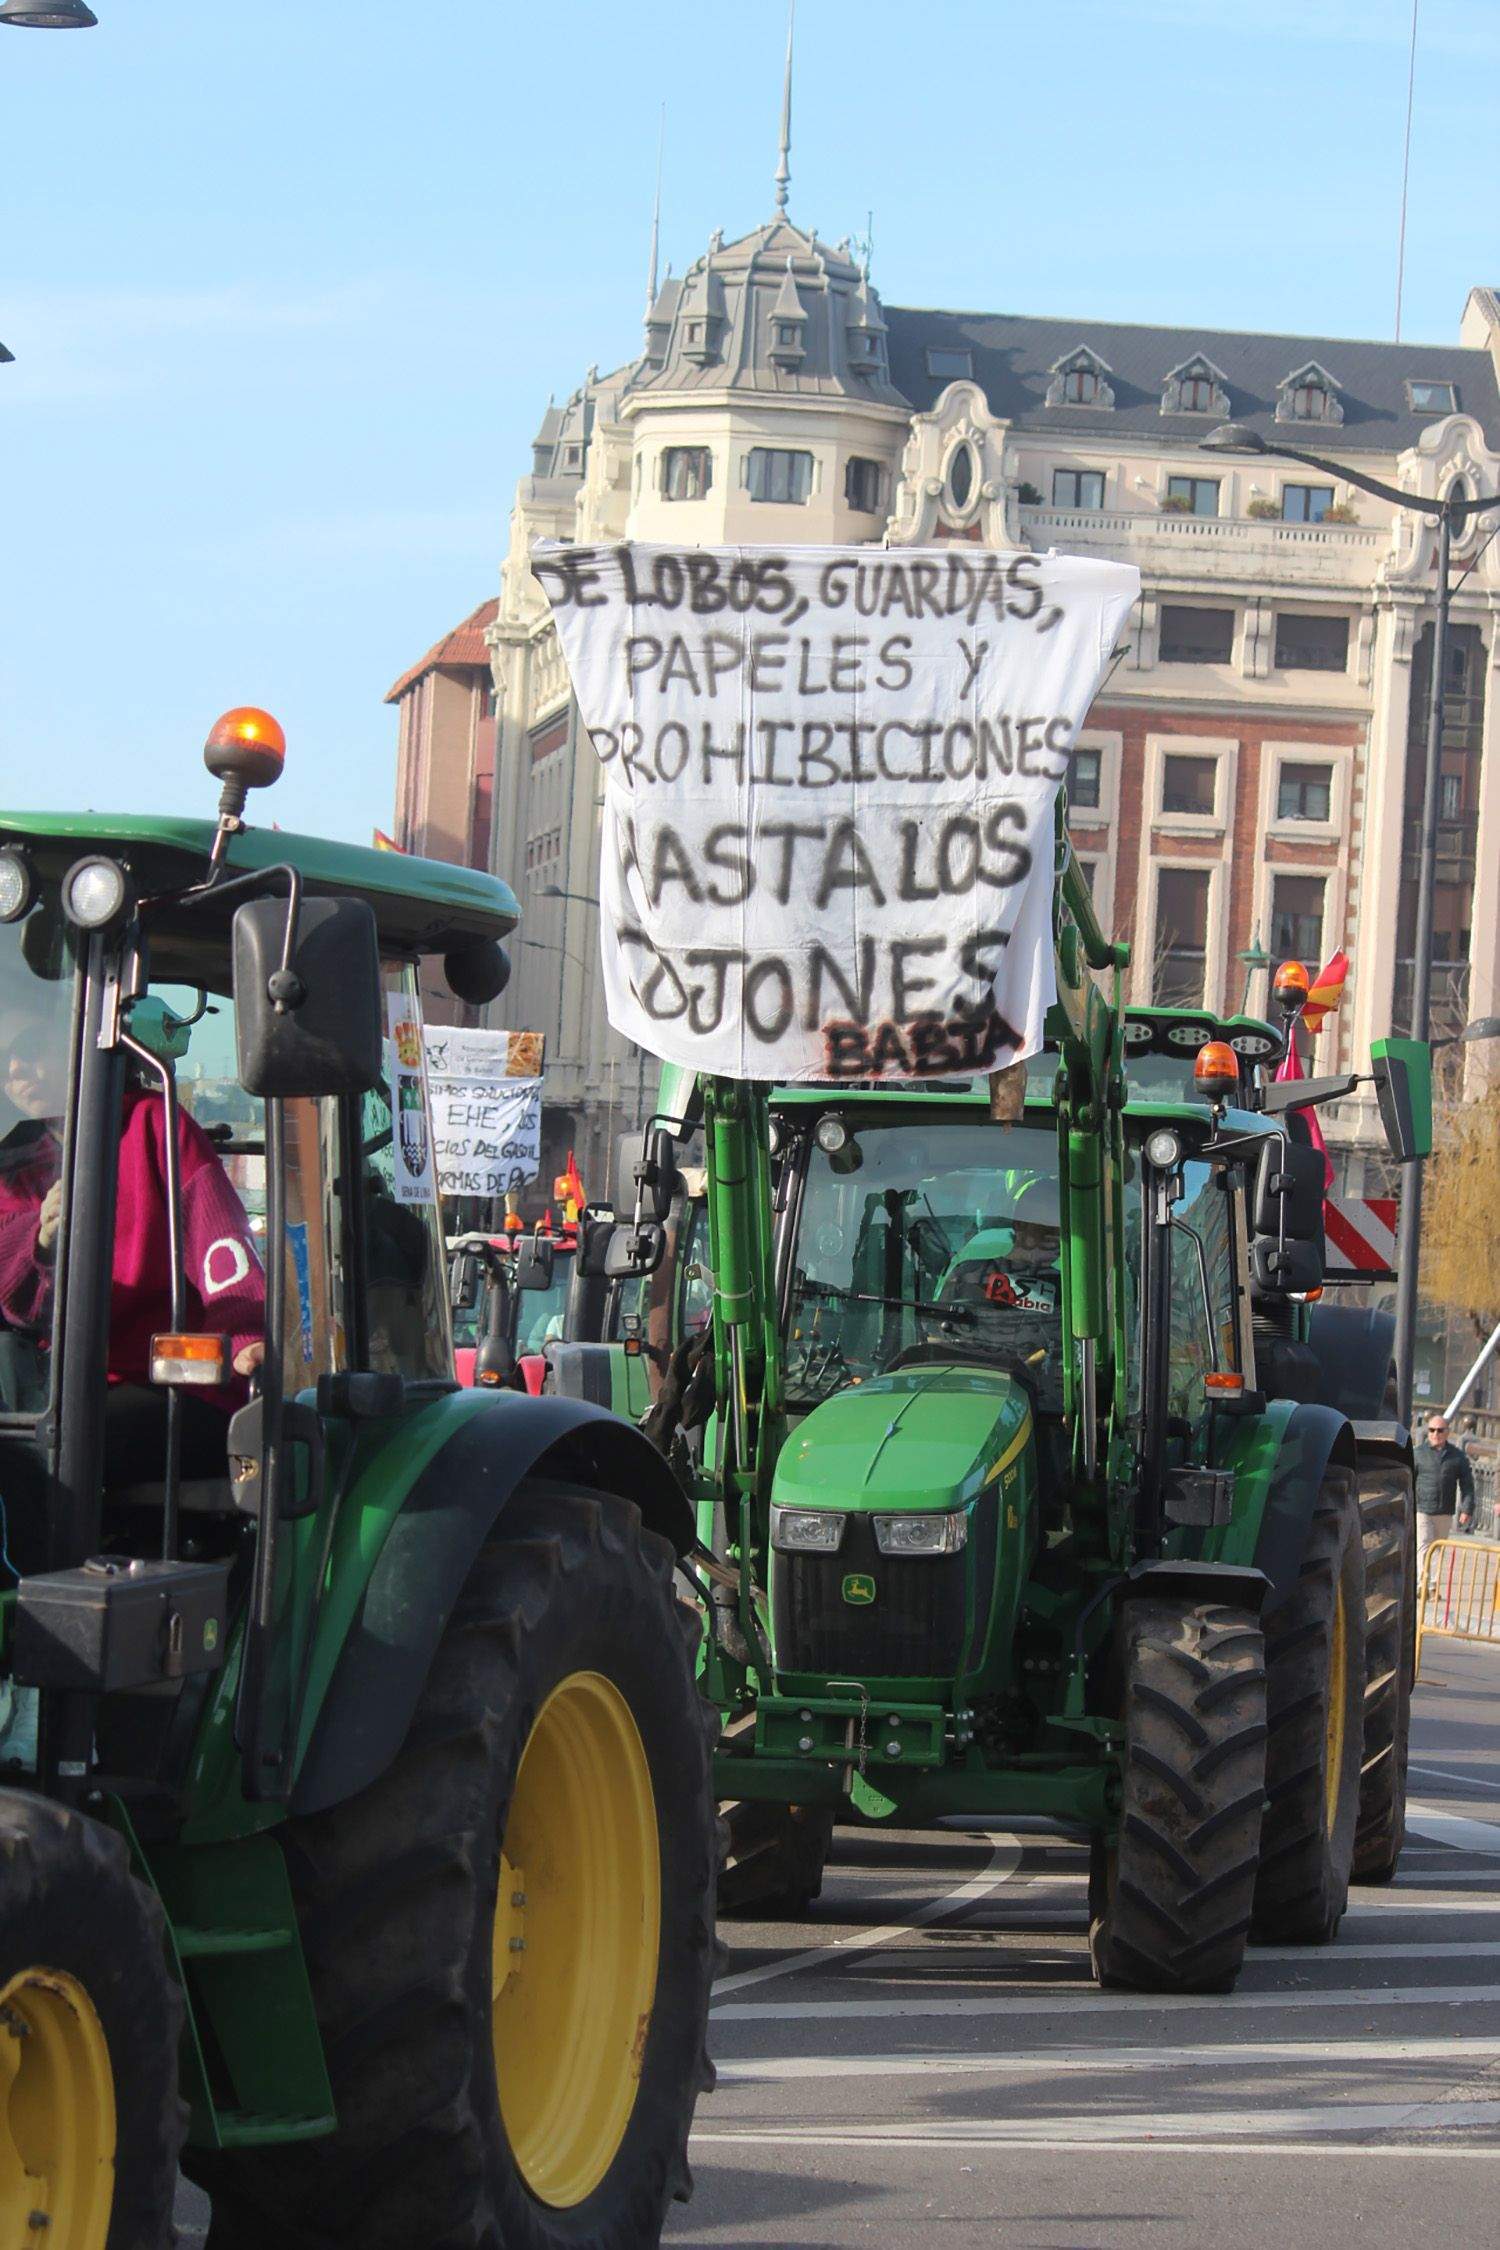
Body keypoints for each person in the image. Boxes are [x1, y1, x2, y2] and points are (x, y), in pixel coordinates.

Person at [0, 1000, 265, 1482]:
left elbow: (221, 1246)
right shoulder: (12, 1163)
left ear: (78, 1044)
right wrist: (40, 1239)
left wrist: (244, 1331)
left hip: (157, 1380)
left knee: (45, 1455)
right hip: (46, 1387)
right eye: (6, 1058)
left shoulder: (154, 1124)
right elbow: (14, 1300)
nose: (17, 1069)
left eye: (32, 1048)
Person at [1414, 1411, 1476, 1586]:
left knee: (1438, 1547)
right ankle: (1423, 1583)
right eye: (1432, 1430)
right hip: (1423, 1509)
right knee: (1423, 1544)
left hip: (1444, 1511)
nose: (1436, 1434)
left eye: (1440, 1430)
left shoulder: (1457, 1456)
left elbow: (1467, 1484)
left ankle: (1433, 1584)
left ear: (1447, 1432)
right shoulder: (1418, 1454)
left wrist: (1466, 1509)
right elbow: (1409, 1481)